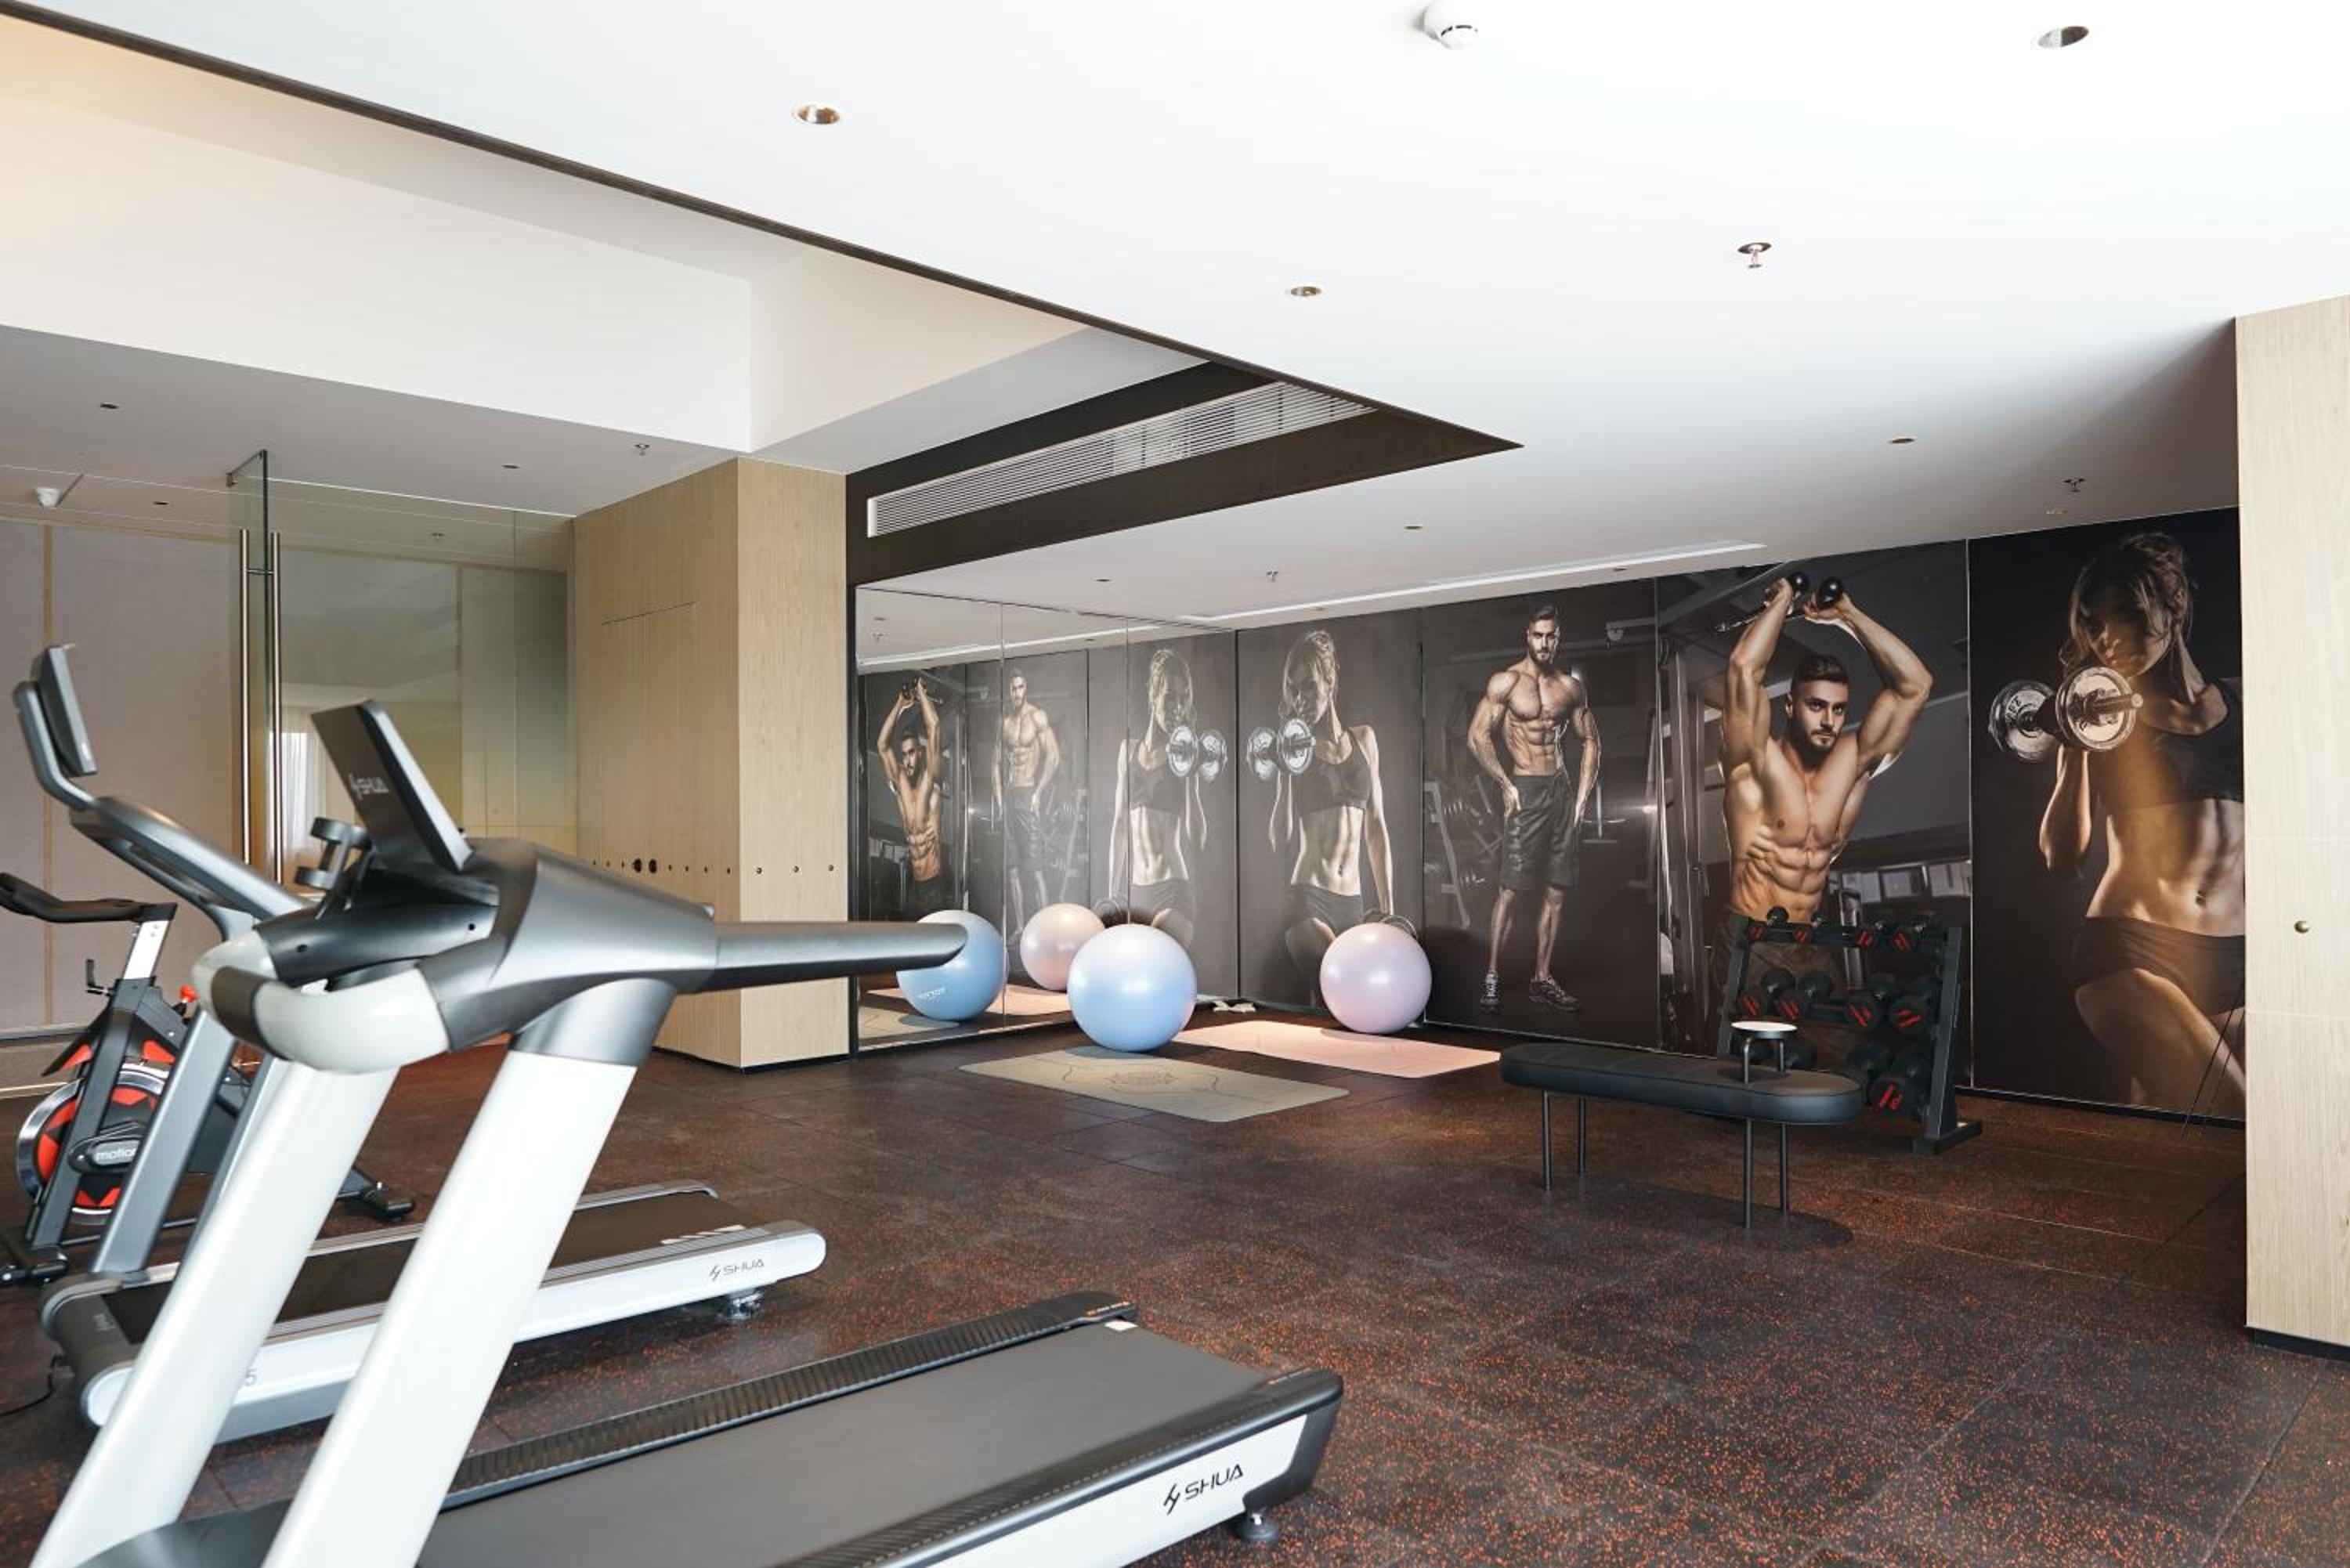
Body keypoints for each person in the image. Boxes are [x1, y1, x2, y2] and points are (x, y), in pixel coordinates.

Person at [2037, 531, 2243, 1115]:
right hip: (2133, 948)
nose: (2108, 638)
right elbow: (2062, 857)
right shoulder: (2099, 720)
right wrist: (2074, 746)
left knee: (2162, 1120)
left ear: (2172, 605)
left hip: (2236, 955)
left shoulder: (2246, 701)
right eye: (2093, 625)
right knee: (2238, 1112)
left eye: (2126, 613)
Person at [1720, 576, 1933, 929]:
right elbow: (1743, 669)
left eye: (1838, 709)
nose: (1828, 721)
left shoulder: (1852, 765)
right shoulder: (1755, 761)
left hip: (1809, 938)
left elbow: (1916, 686)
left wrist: (1848, 616)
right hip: (1753, 939)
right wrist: (1782, 602)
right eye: (1816, 706)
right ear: (1791, 706)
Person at [1467, 603, 1600, 1013]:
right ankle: (1492, 975)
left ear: (1558, 639)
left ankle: (1542, 978)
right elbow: (1477, 737)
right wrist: (1505, 784)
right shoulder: (1507, 682)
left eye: (1551, 636)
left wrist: (1581, 798)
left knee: (1557, 890)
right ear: (1528, 635)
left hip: (1560, 790)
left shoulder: (1571, 688)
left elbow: (1591, 742)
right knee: (1511, 890)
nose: (1544, 643)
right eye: (1538, 635)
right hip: (1525, 789)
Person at [1267, 630, 1394, 1002]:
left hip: (1353, 902)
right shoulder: (1294, 750)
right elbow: (1279, 840)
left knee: (1338, 1005)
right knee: (1347, 993)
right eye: (1294, 691)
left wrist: (1387, 910)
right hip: (1307, 899)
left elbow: (1376, 828)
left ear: (1329, 680)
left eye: (1309, 686)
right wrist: (1284, 773)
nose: (1301, 699)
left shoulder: (1365, 740)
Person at [1108, 648, 1207, 948]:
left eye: (1183, 699)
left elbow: (1198, 838)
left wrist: (1191, 777)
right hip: (1136, 892)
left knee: (1151, 954)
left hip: (1174, 891)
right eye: (1169, 697)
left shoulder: (1185, 755)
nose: (1177, 707)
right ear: (1153, 695)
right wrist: (1113, 893)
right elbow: (1120, 825)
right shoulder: (1128, 750)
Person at [992, 668, 1061, 938]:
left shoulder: (1037, 717)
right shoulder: (1004, 723)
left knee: (1035, 869)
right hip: (1010, 796)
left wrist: (1038, 792)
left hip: (1029, 794)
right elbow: (995, 763)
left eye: (1020, 687)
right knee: (1012, 869)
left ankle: (1046, 929)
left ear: (1026, 688)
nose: (1017, 693)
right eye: (1013, 689)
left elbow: (1053, 756)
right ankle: (1021, 927)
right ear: (1008, 691)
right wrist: (1000, 801)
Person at [877, 678, 951, 916]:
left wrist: (922, 693)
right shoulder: (901, 785)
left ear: (920, 753)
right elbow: (882, 745)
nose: (907, 760)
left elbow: (934, 727)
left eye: (911, 753)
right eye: (904, 755)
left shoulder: (931, 781)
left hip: (936, 886)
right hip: (914, 885)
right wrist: (900, 704)